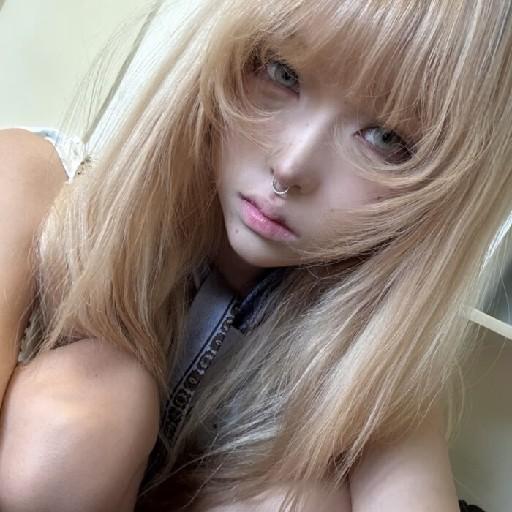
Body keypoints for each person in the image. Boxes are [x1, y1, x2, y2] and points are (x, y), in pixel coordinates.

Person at [0, 0, 509, 510]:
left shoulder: (367, 352)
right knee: (86, 417)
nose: (291, 167)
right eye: (283, 73)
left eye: (384, 138)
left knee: (299, 500)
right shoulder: (39, 186)